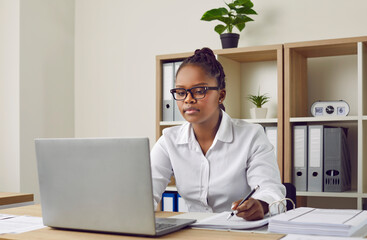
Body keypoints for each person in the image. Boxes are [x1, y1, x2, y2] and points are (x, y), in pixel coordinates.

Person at [151, 47, 285, 221]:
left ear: (221, 95)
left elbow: (271, 191)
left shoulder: (251, 136)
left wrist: (261, 204)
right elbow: (145, 193)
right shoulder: (169, 140)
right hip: (194, 232)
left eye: (199, 91)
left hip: (240, 232)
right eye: (181, 92)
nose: (188, 99)